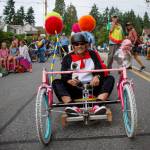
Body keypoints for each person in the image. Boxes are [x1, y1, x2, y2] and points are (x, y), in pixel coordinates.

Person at [52, 33, 115, 115]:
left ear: (86, 45)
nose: (79, 46)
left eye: (82, 43)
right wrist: (69, 80)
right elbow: (64, 76)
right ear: (73, 46)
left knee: (110, 78)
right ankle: (71, 106)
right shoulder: (67, 58)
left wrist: (97, 76)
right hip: (76, 88)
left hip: (92, 87)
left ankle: (98, 105)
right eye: (76, 44)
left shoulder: (93, 54)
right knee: (56, 82)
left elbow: (100, 69)